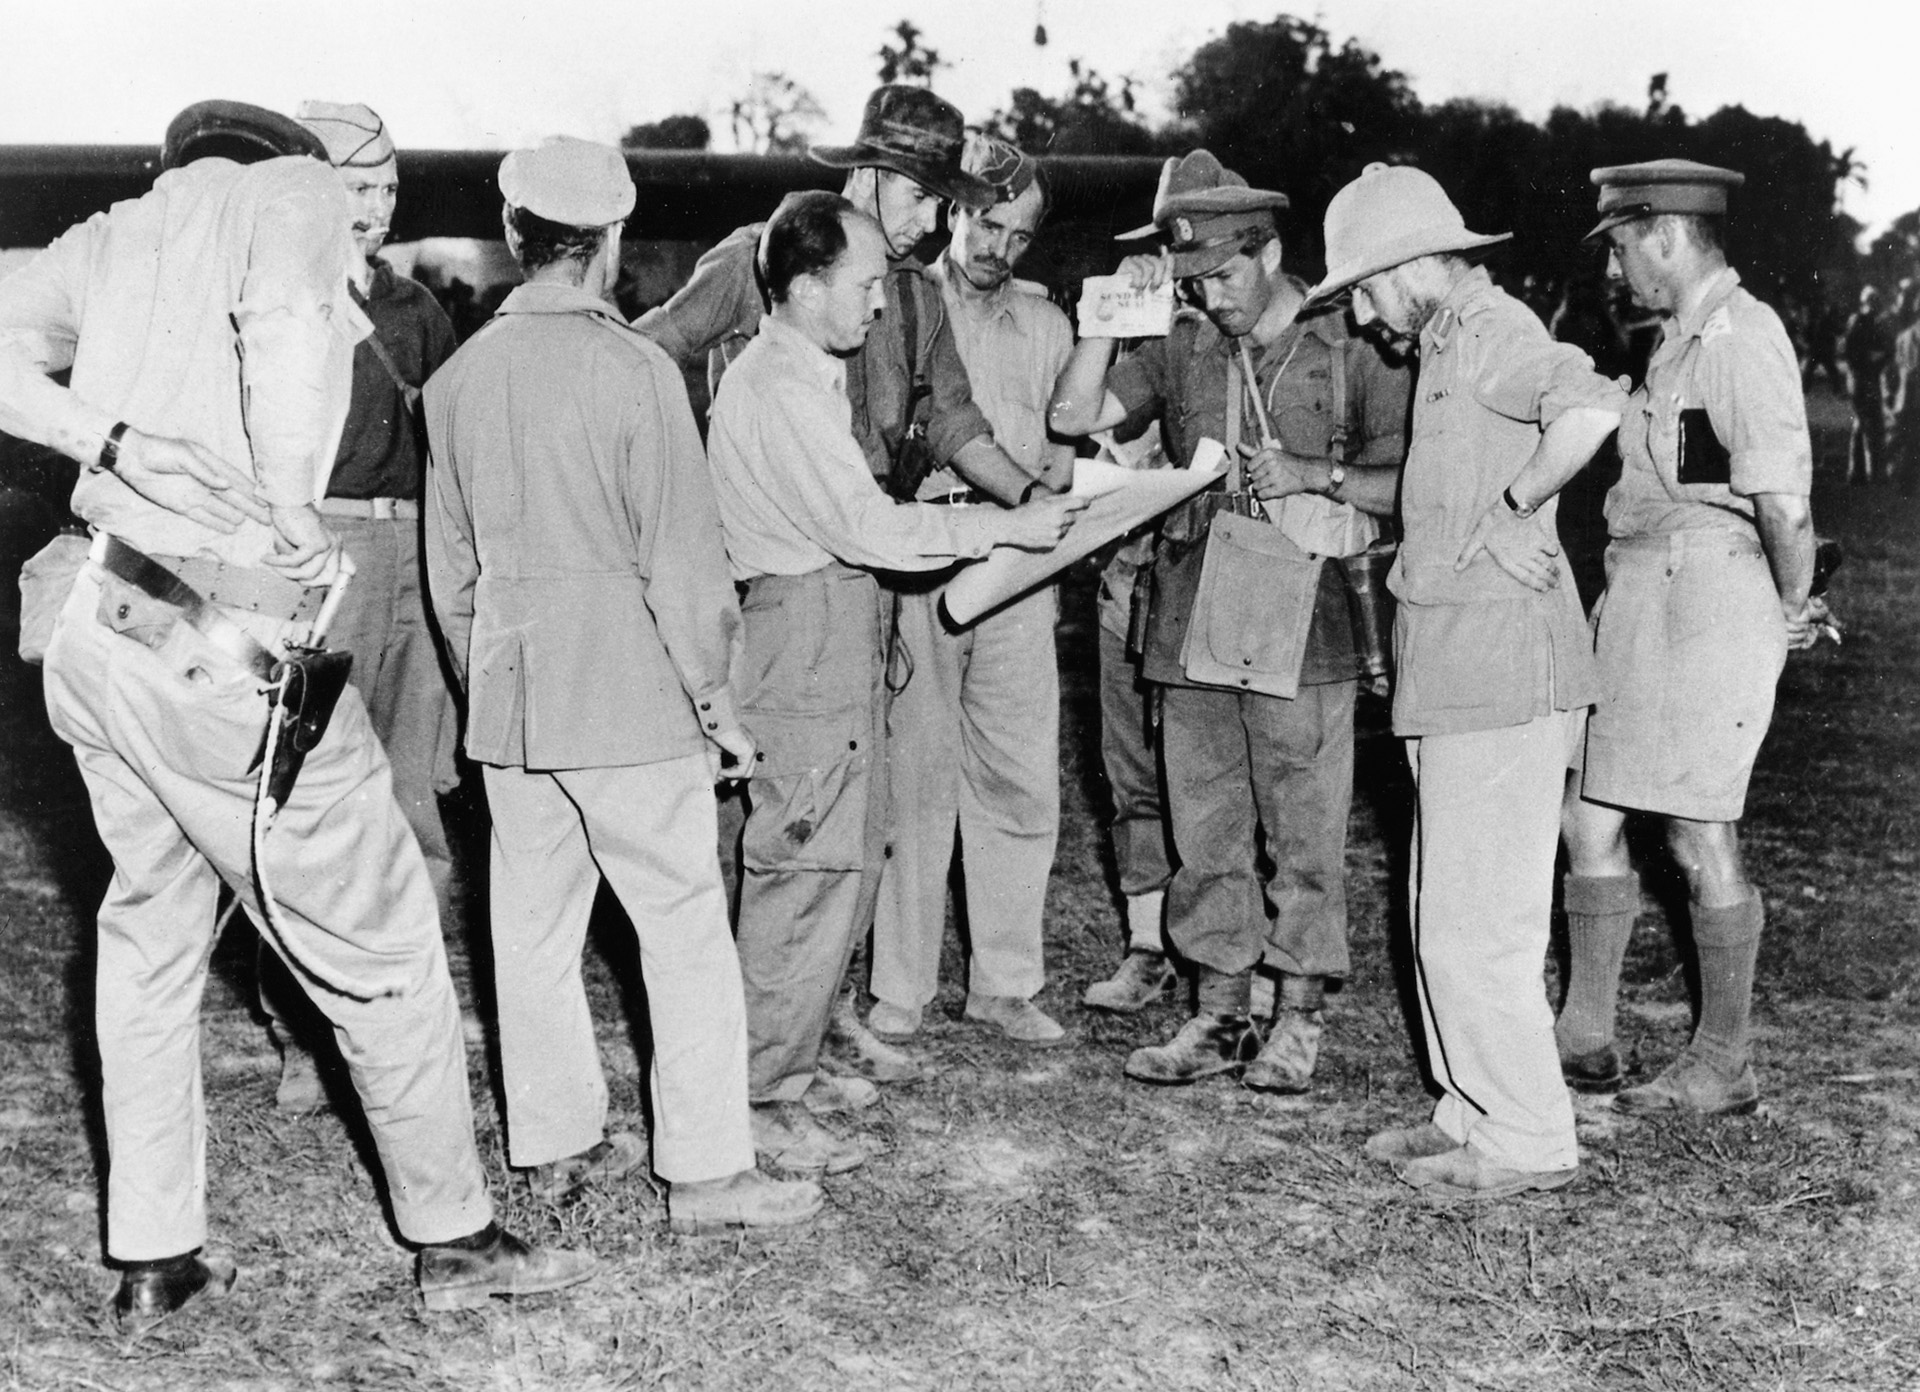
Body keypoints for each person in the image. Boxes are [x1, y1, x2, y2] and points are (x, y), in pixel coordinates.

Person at [0, 99, 591, 1328]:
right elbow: (277, 328)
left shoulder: (116, 228)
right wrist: (285, 516)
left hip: (99, 627)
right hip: (224, 644)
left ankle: (157, 1254)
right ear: (290, 165)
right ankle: (458, 1241)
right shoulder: (291, 194)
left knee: (149, 940)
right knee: (382, 943)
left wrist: (101, 436)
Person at [424, 137, 820, 1232]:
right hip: (632, 696)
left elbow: (448, 575)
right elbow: (686, 568)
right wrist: (719, 704)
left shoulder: (454, 381)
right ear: (609, 243)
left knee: (534, 929)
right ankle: (704, 1172)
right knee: (684, 928)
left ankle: (552, 1149)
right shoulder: (639, 371)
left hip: (514, 700)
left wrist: (491, 681)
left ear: (514, 238)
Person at [639, 84, 1047, 1072]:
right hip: (793, 558)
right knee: (795, 818)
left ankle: (817, 1018)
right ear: (870, 178)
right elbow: (653, 355)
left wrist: (1034, 507)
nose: (938, 223)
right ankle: (761, 1046)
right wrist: (681, 500)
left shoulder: (907, 290)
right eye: (925, 198)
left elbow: (950, 420)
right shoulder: (767, 256)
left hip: (875, 568)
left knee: (858, 810)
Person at [705, 190, 1085, 1174]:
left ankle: (791, 1061)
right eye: (868, 286)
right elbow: (870, 530)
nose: (883, 307)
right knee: (805, 869)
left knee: (844, 860)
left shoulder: (804, 377)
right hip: (807, 625)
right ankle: (758, 1099)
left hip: (836, 617)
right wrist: (1002, 525)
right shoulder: (781, 388)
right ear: (803, 288)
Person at [1050, 151, 1411, 1092]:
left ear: (1272, 251)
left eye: (1224, 275)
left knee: (1303, 822)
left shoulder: (1351, 343)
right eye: (1193, 280)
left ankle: (1297, 1014)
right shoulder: (1179, 343)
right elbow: (1071, 414)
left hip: (1305, 616)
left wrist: (1316, 475)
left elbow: (1410, 478)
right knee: (1204, 820)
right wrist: (1107, 319)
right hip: (1189, 610)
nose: (1212, 297)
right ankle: (1219, 1013)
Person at [1306, 162, 1626, 1200]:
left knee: (1478, 925)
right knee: (1436, 909)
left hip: (1500, 678)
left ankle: (1527, 1135)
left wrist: (1517, 508)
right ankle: (1469, 1106)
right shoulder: (1445, 351)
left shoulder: (1490, 332)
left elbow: (1588, 410)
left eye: (1363, 286)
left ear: (1408, 268)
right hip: (1452, 674)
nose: (1359, 313)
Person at [1556, 160, 1822, 1117]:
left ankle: (1725, 1059)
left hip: (1707, 597)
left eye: (1626, 246)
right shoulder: (1677, 344)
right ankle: (1584, 1038)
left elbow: (1782, 506)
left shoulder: (1743, 340)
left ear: (1667, 234)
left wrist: (1789, 610)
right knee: (1586, 814)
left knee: (1699, 826)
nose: (1620, 269)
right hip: (1640, 593)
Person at [258, 100, 466, 1116]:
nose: (375, 208)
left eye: (386, 191)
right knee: (300, 799)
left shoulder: (418, 312)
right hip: (315, 557)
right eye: (354, 188)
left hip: (410, 549)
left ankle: (405, 1009)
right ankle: (305, 1035)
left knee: (412, 799)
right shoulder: (270, 299)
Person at [866, 135, 1076, 1047]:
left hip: (1024, 566)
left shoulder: (1048, 325)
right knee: (917, 778)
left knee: (1020, 774)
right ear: (953, 210)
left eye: (1021, 238)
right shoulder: (896, 300)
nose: (1000, 249)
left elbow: (1063, 450)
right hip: (927, 549)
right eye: (989, 225)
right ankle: (900, 989)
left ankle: (1005, 981)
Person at [1842, 285, 1891, 485]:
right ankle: (1873, 474)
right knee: (1870, 426)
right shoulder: (1862, 322)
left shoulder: (1862, 321)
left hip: (1859, 378)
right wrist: (1872, 358)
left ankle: (1857, 473)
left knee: (1861, 426)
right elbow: (1853, 353)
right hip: (1862, 378)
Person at [1885, 280, 1920, 496]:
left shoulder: (1904, 336)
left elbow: (1897, 367)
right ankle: (1905, 484)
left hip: (1905, 397)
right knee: (1913, 443)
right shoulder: (1910, 336)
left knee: (1908, 440)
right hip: (1915, 397)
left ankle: (1901, 480)